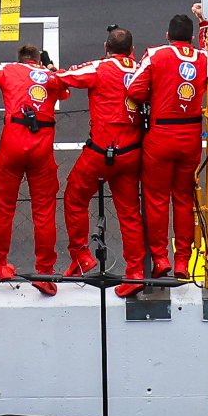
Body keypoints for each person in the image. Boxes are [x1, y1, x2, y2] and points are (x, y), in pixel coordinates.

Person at [0, 39, 66, 293]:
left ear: (20, 59)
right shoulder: (50, 75)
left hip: (12, 143)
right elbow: (65, 91)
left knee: (3, 207)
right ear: (38, 61)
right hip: (41, 147)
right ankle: (45, 273)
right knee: (44, 212)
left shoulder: (9, 70)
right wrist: (50, 69)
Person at [125, 9, 208, 293]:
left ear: (168, 36)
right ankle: (183, 262)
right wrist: (205, 22)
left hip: (161, 134)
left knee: (157, 198)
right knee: (184, 198)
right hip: (190, 136)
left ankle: (160, 257)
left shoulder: (156, 54)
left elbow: (134, 90)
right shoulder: (201, 58)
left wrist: (156, 93)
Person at [58, 29, 140, 287]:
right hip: (132, 151)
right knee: (129, 213)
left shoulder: (101, 67)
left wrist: (49, 69)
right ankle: (136, 272)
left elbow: (66, 77)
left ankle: (81, 255)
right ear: (132, 48)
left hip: (101, 151)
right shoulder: (140, 67)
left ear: (106, 46)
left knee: (74, 196)